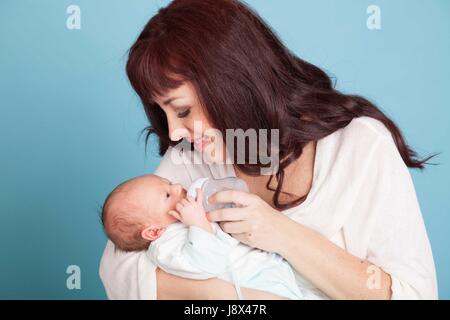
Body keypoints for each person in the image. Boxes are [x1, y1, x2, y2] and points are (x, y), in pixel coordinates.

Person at [99, 0, 437, 299]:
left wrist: (281, 233)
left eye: (183, 111)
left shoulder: (359, 148)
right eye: (164, 113)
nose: (174, 132)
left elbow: (412, 294)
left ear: (230, 84)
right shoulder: (192, 157)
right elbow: (118, 269)